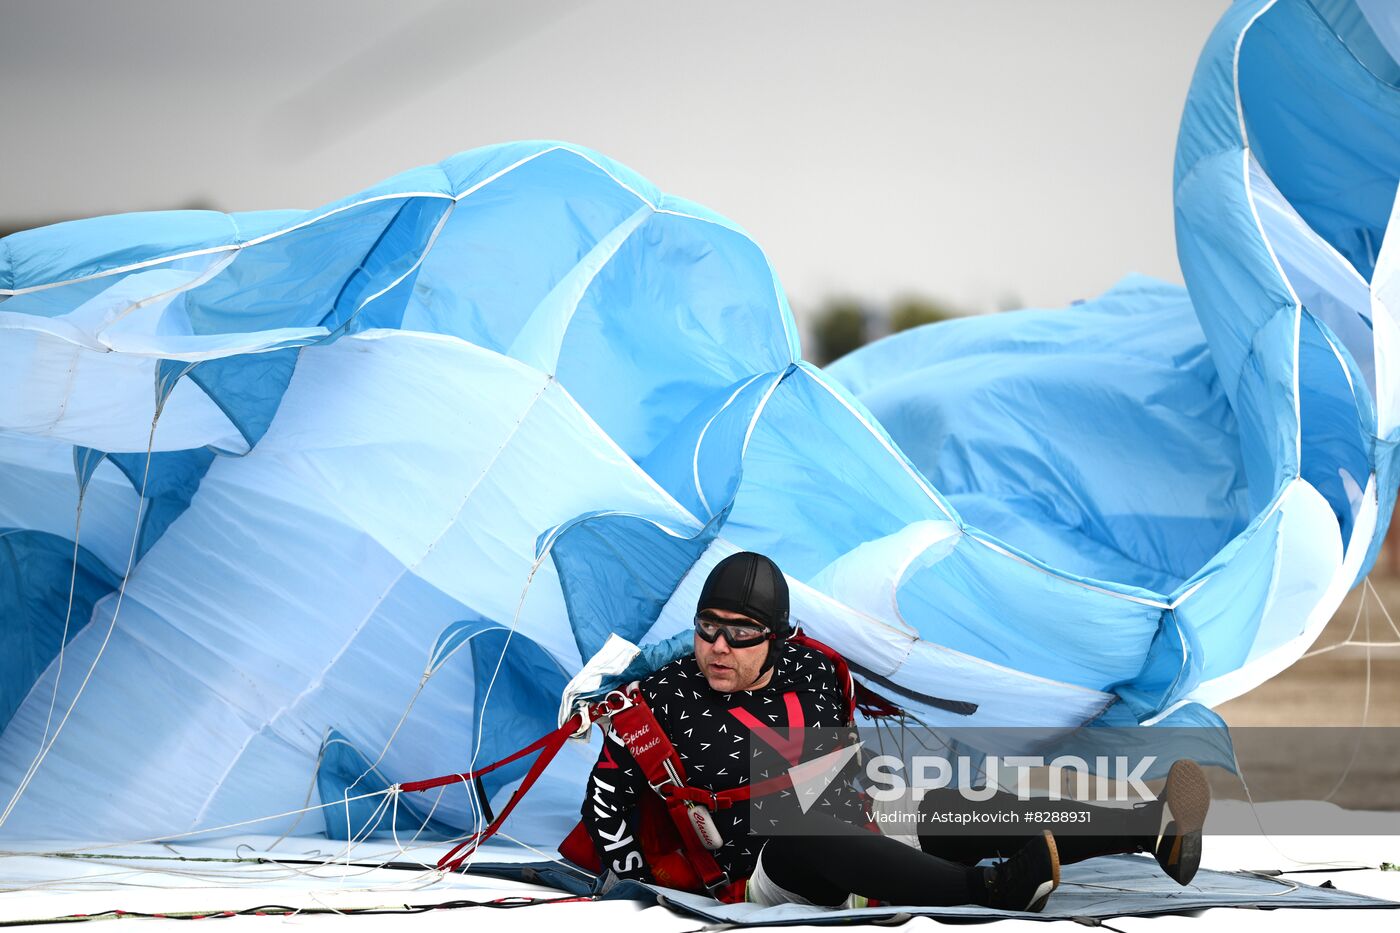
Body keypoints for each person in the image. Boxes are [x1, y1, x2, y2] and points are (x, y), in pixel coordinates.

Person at [579, 551, 1209, 912]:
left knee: (959, 811)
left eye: (740, 633)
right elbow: (604, 799)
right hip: (759, 873)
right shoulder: (659, 701)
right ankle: (989, 890)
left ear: (774, 637)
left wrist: (883, 839)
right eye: (707, 628)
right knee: (810, 831)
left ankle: (1152, 825)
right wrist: (643, 885)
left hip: (843, 818)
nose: (719, 647)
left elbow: (833, 788)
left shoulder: (812, 670)